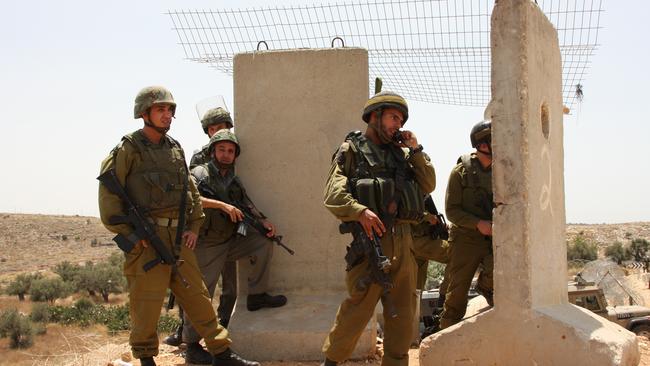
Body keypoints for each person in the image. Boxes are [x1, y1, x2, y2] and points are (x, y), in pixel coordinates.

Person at [98, 86, 259, 366]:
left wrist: (194, 226)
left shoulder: (174, 148)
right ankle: (146, 358)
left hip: (178, 239)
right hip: (146, 240)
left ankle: (221, 353)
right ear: (144, 113)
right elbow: (109, 198)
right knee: (146, 303)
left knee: (197, 296)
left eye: (170, 110)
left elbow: (191, 193)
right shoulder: (129, 149)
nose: (167, 115)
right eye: (161, 109)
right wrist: (130, 236)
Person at [321, 91, 436, 366]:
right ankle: (331, 362)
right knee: (357, 311)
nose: (398, 124)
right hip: (371, 244)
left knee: (403, 317)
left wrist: (416, 149)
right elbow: (332, 195)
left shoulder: (403, 154)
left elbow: (428, 184)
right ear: (375, 116)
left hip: (405, 245)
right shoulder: (352, 150)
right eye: (393, 117)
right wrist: (360, 212)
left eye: (401, 119)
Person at [181, 129, 288, 364]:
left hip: (230, 240)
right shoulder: (199, 173)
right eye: (222, 150)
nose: (226, 154)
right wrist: (222, 206)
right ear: (212, 152)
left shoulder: (232, 179)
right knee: (201, 293)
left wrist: (262, 221)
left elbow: (246, 203)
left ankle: (256, 295)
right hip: (207, 243)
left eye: (231, 151)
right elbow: (189, 198)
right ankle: (191, 345)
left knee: (263, 241)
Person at [163, 106, 239, 348]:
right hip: (203, 232)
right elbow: (191, 195)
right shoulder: (199, 160)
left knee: (231, 287)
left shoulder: (232, 153)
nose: (220, 132)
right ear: (208, 132)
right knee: (196, 287)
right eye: (215, 128)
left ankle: (224, 324)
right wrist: (221, 206)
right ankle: (186, 331)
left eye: (224, 127)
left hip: (229, 232)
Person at [439, 119, 494, 330]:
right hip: (465, 240)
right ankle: (443, 343)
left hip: (493, 238)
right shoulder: (460, 172)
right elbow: (451, 211)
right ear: (482, 144)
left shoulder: (504, 171)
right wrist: (477, 223)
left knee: (499, 277)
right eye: (493, 140)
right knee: (456, 295)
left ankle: (484, 286)